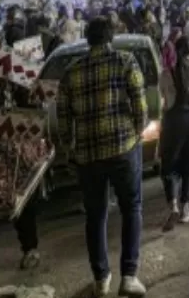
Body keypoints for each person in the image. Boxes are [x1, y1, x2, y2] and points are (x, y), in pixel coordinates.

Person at [56, 17, 147, 297]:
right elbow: (140, 105)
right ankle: (129, 277)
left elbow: (63, 120)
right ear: (110, 38)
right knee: (131, 207)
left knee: (95, 216)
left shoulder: (71, 72)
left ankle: (101, 279)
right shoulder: (126, 61)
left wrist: (71, 148)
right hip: (123, 148)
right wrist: (137, 131)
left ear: (88, 39)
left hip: (88, 156)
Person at [0, 76, 41, 272]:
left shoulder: (12, 75)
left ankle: (30, 248)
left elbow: (33, 102)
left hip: (14, 148)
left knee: (23, 197)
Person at [159, 37, 189, 232]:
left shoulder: (166, 74)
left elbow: (165, 100)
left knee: (169, 164)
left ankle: (174, 205)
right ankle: (186, 208)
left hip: (172, 122)